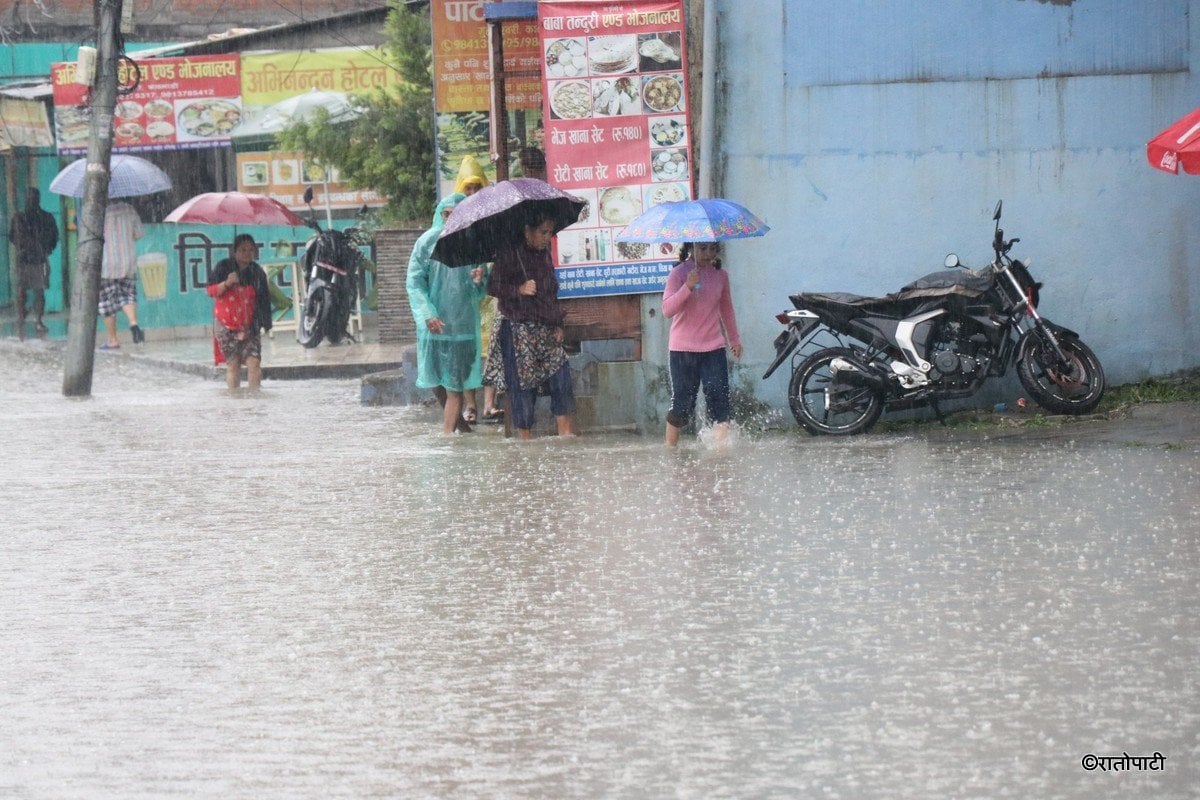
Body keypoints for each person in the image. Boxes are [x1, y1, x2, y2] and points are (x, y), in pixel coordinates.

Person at [487, 210, 575, 440]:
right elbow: (493, 287)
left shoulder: (544, 253)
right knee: (522, 386)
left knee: (561, 377)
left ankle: (566, 434)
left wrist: (558, 324)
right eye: (543, 232)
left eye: (550, 232)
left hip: (545, 325)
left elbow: (551, 291)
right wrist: (519, 289)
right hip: (518, 328)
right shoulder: (508, 252)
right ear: (528, 231)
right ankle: (525, 440)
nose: (548, 237)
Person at [407, 193, 488, 434]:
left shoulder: (473, 243)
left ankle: (447, 443)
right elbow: (414, 282)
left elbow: (481, 290)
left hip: (462, 327)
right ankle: (463, 432)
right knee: (436, 383)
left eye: (457, 214)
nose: (451, 219)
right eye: (447, 214)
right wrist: (427, 314)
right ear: (440, 215)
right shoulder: (427, 242)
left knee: (454, 387)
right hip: (434, 327)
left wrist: (479, 280)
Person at [661, 241, 743, 447]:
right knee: (682, 405)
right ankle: (671, 451)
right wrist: (687, 286)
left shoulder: (721, 276)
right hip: (682, 350)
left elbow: (727, 309)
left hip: (713, 348)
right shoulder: (678, 274)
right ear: (691, 248)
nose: (708, 254)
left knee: (719, 399)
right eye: (702, 248)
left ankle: (721, 455)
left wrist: (734, 339)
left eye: (712, 248)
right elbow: (667, 310)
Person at [206, 233, 273, 390]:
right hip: (226, 326)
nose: (247, 254)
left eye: (251, 250)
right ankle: (235, 400)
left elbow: (264, 300)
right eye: (243, 250)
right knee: (233, 364)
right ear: (234, 251)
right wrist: (227, 283)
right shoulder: (223, 267)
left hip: (250, 326)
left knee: (254, 362)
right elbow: (210, 291)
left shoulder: (257, 272)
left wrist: (264, 322)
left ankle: (255, 399)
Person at [7, 188, 59, 340]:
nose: (32, 201)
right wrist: (24, 248)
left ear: (38, 199)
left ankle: (37, 320)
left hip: (39, 258)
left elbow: (54, 236)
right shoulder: (18, 217)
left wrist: (46, 250)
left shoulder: (46, 217)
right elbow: (12, 237)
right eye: (29, 198)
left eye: (34, 198)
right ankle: (22, 317)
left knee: (39, 290)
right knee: (22, 290)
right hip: (24, 259)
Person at [98, 200, 145, 349]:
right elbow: (139, 233)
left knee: (108, 303)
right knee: (128, 295)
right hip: (127, 261)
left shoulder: (99, 212)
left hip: (107, 264)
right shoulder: (129, 210)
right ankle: (134, 323)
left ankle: (113, 340)